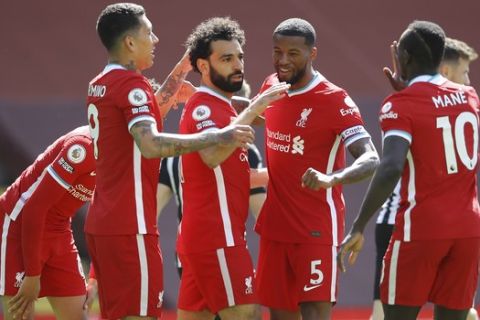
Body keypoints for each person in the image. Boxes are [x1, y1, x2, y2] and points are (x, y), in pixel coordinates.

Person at [85, 4, 256, 320]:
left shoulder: (101, 83)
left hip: (104, 221)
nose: (156, 38)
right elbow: (150, 145)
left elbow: (149, 112)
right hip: (130, 224)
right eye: (148, 32)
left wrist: (182, 68)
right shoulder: (131, 85)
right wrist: (216, 137)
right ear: (130, 43)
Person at [339, 20, 480, 320]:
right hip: (468, 229)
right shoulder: (470, 97)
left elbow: (390, 167)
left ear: (403, 59)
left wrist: (359, 225)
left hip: (422, 230)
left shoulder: (400, 105)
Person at [255, 18, 379, 320]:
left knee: (313, 314)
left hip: (315, 229)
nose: (283, 60)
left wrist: (331, 178)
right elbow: (264, 117)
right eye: (277, 51)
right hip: (274, 228)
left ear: (312, 54)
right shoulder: (271, 86)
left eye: (293, 53)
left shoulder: (334, 99)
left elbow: (371, 158)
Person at [176, 17, 289, 320]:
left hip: (207, 238)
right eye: (226, 59)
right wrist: (254, 108)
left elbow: (229, 175)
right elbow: (212, 156)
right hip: (217, 238)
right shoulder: (204, 106)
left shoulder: (224, 107)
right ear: (202, 66)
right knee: (246, 314)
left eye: (240, 57)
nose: (238, 64)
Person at [156, 80, 267, 279]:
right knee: (245, 311)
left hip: (187, 252)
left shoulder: (175, 153)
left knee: (197, 310)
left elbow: (152, 210)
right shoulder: (246, 149)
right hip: (225, 245)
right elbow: (261, 212)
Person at [0, 126, 98, 320]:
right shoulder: (83, 147)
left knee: (79, 316)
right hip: (17, 224)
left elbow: (105, 221)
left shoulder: (126, 153)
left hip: (59, 227)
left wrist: (94, 278)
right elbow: (33, 209)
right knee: (20, 315)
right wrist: (32, 275)